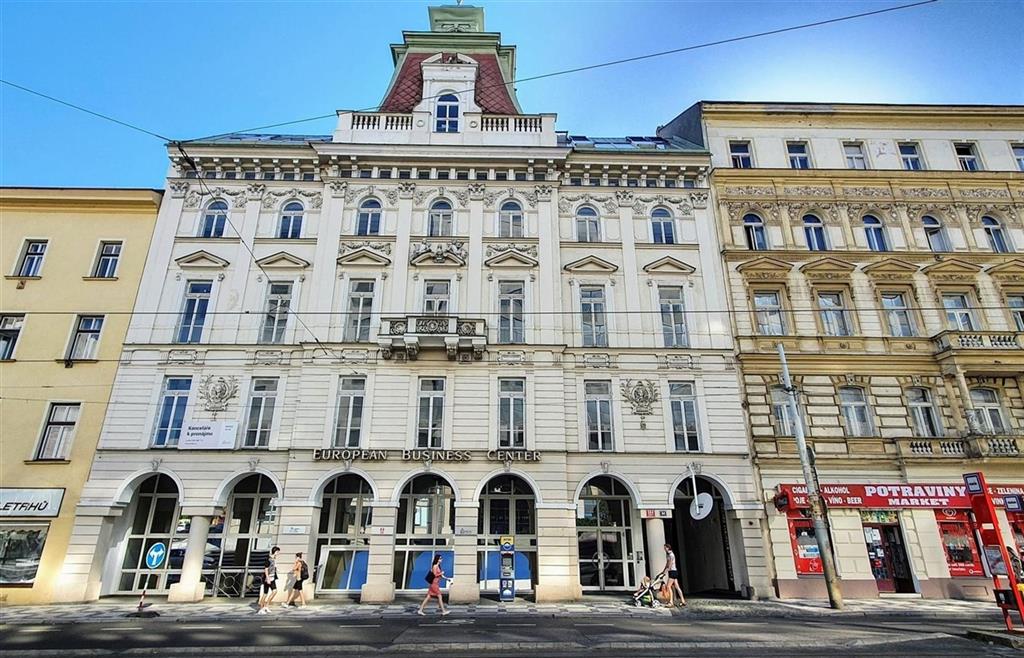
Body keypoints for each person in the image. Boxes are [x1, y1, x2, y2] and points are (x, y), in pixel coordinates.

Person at [257, 546, 280, 614]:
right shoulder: (268, 559)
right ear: (275, 552)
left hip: (272, 578)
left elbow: (272, 567)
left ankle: (266, 606)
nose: (278, 553)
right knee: (265, 593)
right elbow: (266, 569)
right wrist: (267, 578)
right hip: (268, 578)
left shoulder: (273, 559)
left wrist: (276, 569)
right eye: (278, 552)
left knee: (274, 591)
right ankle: (261, 608)